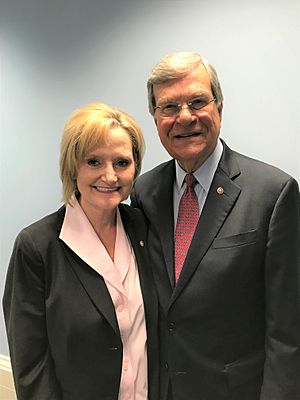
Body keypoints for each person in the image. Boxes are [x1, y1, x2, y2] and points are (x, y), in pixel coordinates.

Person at [131, 52, 300, 400]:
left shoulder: (273, 193)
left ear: (219, 109)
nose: (185, 117)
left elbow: (287, 331)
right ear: (155, 118)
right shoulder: (144, 192)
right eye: (169, 107)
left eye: (197, 101)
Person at [3, 102, 159, 400]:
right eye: (94, 162)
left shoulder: (142, 228)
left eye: (122, 163)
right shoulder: (37, 246)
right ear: (73, 166)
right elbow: (30, 363)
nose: (110, 176)